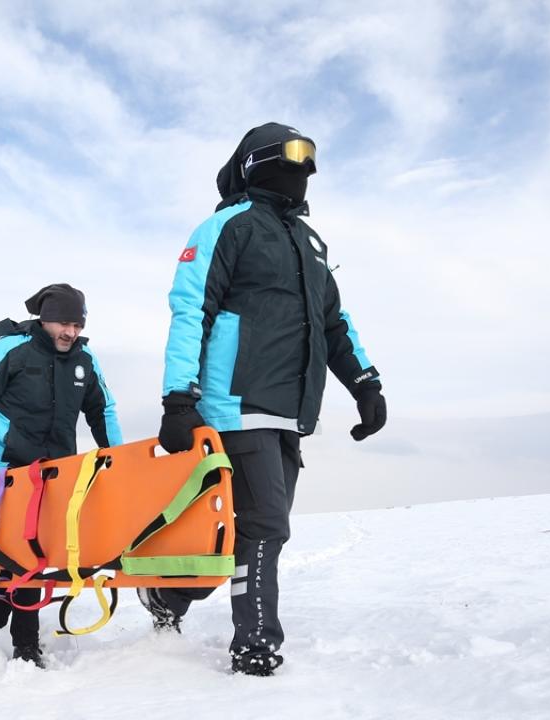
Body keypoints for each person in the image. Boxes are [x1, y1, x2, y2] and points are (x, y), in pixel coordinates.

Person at [145, 122, 387, 676]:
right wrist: (177, 398)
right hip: (234, 402)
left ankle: (169, 596)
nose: (302, 172)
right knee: (267, 526)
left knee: (246, 531)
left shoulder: (309, 243)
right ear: (257, 163)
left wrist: (366, 384)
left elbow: (334, 324)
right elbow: (190, 312)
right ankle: (256, 642)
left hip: (290, 411)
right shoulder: (225, 227)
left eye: (310, 164)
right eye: (292, 160)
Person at [0, 284, 123, 668]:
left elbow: (103, 410)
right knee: (23, 556)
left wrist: (116, 458)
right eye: (63, 323)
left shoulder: (85, 359)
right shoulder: (10, 350)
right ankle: (25, 645)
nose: (70, 332)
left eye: (77, 325)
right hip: (7, 469)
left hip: (58, 471)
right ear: (45, 320)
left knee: (35, 554)